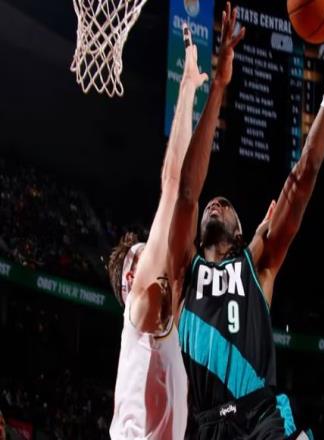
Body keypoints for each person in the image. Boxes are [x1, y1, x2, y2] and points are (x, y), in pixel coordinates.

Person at [168, 1, 324, 438]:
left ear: (242, 231)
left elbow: (304, 174)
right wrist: (219, 85)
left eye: (225, 205)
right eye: (212, 205)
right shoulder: (183, 270)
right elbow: (188, 193)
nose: (215, 204)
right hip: (206, 425)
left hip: (261, 418)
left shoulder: (257, 266)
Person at [107, 23, 208, 440]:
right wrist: (187, 89)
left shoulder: (169, 320)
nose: (153, 250)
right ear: (131, 277)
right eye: (143, 253)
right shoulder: (140, 305)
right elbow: (173, 184)